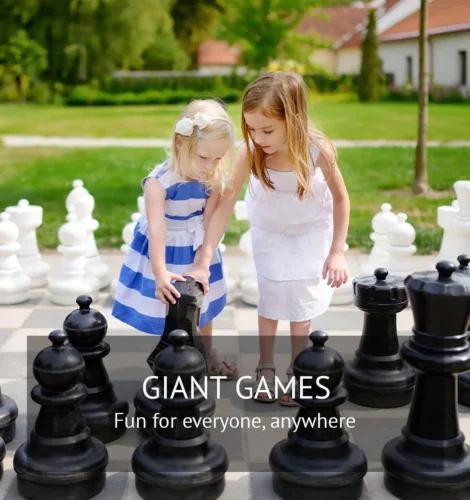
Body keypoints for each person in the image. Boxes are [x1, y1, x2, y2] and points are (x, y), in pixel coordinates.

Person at [191, 72, 350, 405]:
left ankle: (297, 367)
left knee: (301, 295)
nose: (257, 136)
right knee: (272, 289)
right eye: (250, 128)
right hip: (271, 230)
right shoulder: (251, 151)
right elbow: (225, 203)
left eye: (267, 130)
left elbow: (340, 198)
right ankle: (266, 366)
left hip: (310, 229)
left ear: (293, 119)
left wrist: (337, 251)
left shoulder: (317, 148)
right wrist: (204, 256)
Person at [112, 98, 237, 378]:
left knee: (200, 306)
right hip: (164, 252)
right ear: (180, 143)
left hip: (196, 247)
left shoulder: (212, 178)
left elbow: (208, 225)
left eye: (218, 158)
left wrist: (201, 263)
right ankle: (175, 358)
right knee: (169, 310)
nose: (210, 165)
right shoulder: (158, 183)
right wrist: (160, 272)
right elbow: (157, 229)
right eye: (204, 157)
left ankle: (206, 354)